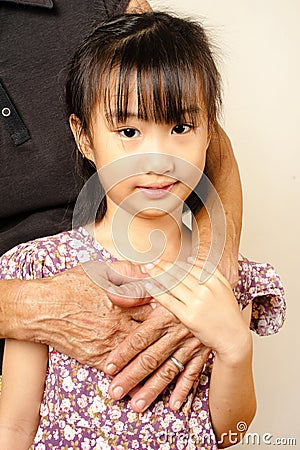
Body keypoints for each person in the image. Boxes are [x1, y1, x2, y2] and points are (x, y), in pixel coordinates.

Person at [0, 11, 286, 449]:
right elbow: (14, 426)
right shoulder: (39, 270)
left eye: (181, 127)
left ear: (211, 130)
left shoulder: (227, 278)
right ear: (84, 137)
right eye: (129, 131)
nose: (157, 158)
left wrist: (234, 349)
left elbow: (230, 434)